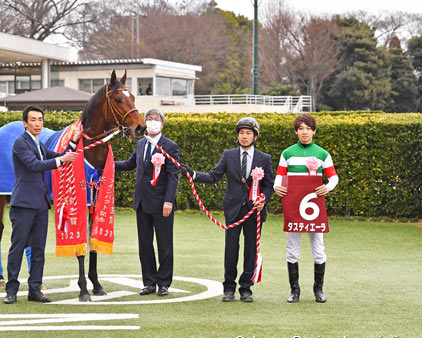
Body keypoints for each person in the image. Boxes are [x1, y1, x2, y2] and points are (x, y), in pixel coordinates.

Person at [182, 117, 274, 302]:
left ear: (255, 136)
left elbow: (269, 185)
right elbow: (213, 176)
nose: (244, 137)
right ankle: (229, 287)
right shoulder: (229, 155)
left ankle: (246, 287)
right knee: (231, 248)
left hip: (254, 212)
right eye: (241, 133)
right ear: (237, 135)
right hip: (233, 209)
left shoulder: (264, 158)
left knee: (250, 249)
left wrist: (263, 199)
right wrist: (193, 174)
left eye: (248, 133)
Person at [4, 105, 82, 304]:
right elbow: (34, 165)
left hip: (40, 204)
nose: (38, 123)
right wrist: (61, 160)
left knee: (38, 250)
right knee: (17, 247)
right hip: (23, 204)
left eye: (40, 119)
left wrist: (74, 141)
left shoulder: (38, 144)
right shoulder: (20, 144)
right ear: (25, 123)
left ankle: (34, 289)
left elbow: (58, 157)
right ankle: (11, 290)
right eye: (33, 120)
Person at [273, 114, 338, 304]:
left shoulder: (322, 154)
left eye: (308, 128)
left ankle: (318, 290)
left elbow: (333, 177)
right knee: (292, 250)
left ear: (314, 131)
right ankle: (295, 291)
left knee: (318, 250)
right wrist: (278, 186)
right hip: (293, 206)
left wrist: (328, 186)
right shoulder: (287, 153)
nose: (304, 131)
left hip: (315, 208)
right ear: (296, 131)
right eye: (300, 128)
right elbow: (280, 176)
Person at [115, 109, 180, 297]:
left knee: (164, 244)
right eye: (149, 119)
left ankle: (164, 283)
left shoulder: (170, 146)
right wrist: (107, 163)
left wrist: (169, 200)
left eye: (156, 119)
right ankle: (149, 282)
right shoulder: (141, 143)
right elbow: (130, 164)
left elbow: (173, 176)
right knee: (145, 244)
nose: (152, 122)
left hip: (162, 204)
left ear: (162, 124)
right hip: (142, 202)